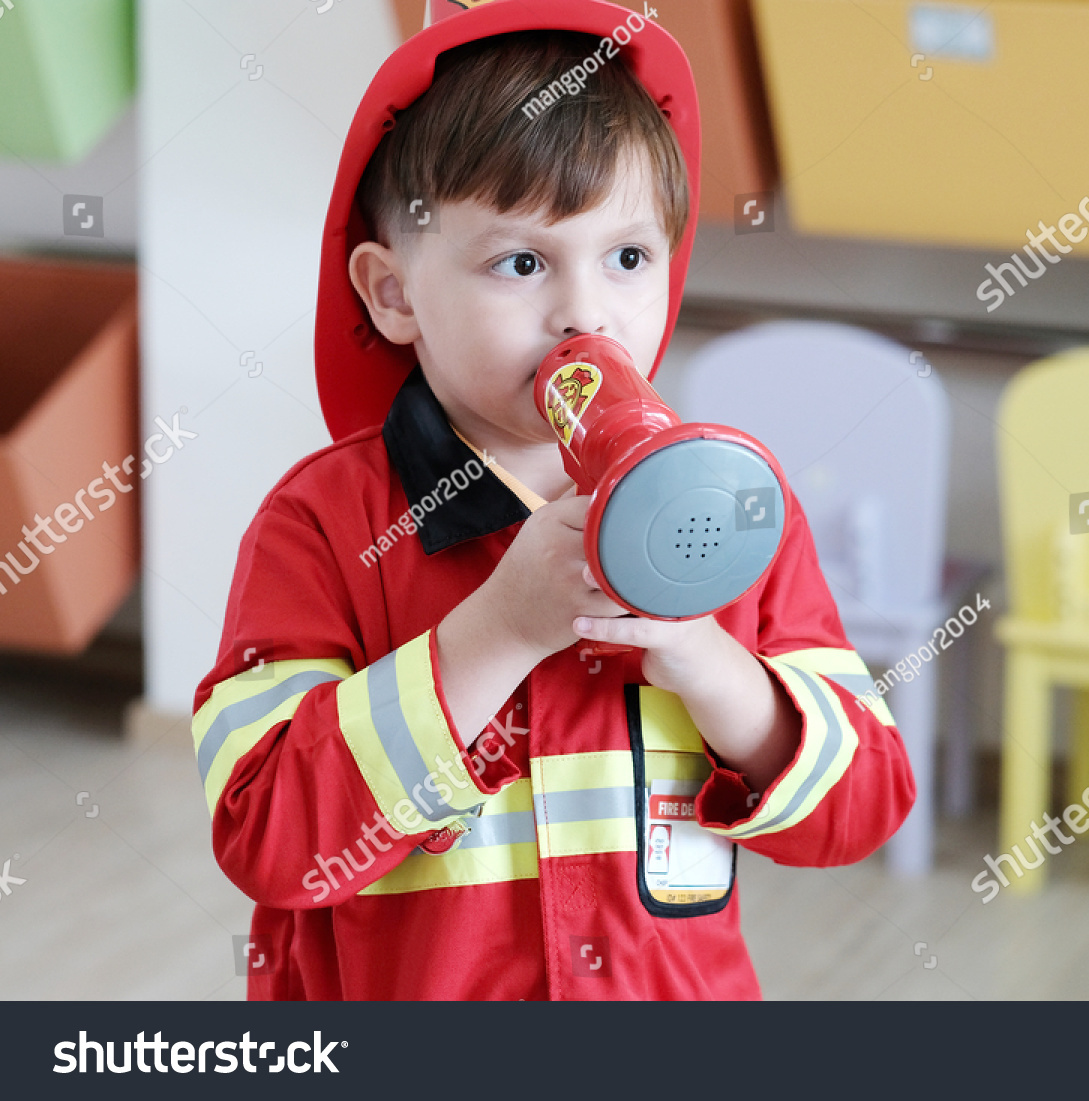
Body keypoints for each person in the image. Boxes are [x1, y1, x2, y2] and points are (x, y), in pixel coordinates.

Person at [192, 0, 914, 1000]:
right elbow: (267, 838)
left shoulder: (732, 507)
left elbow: (866, 805)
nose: (586, 310)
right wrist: (501, 626)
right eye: (521, 262)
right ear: (393, 294)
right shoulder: (321, 525)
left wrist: (711, 664)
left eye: (629, 257)